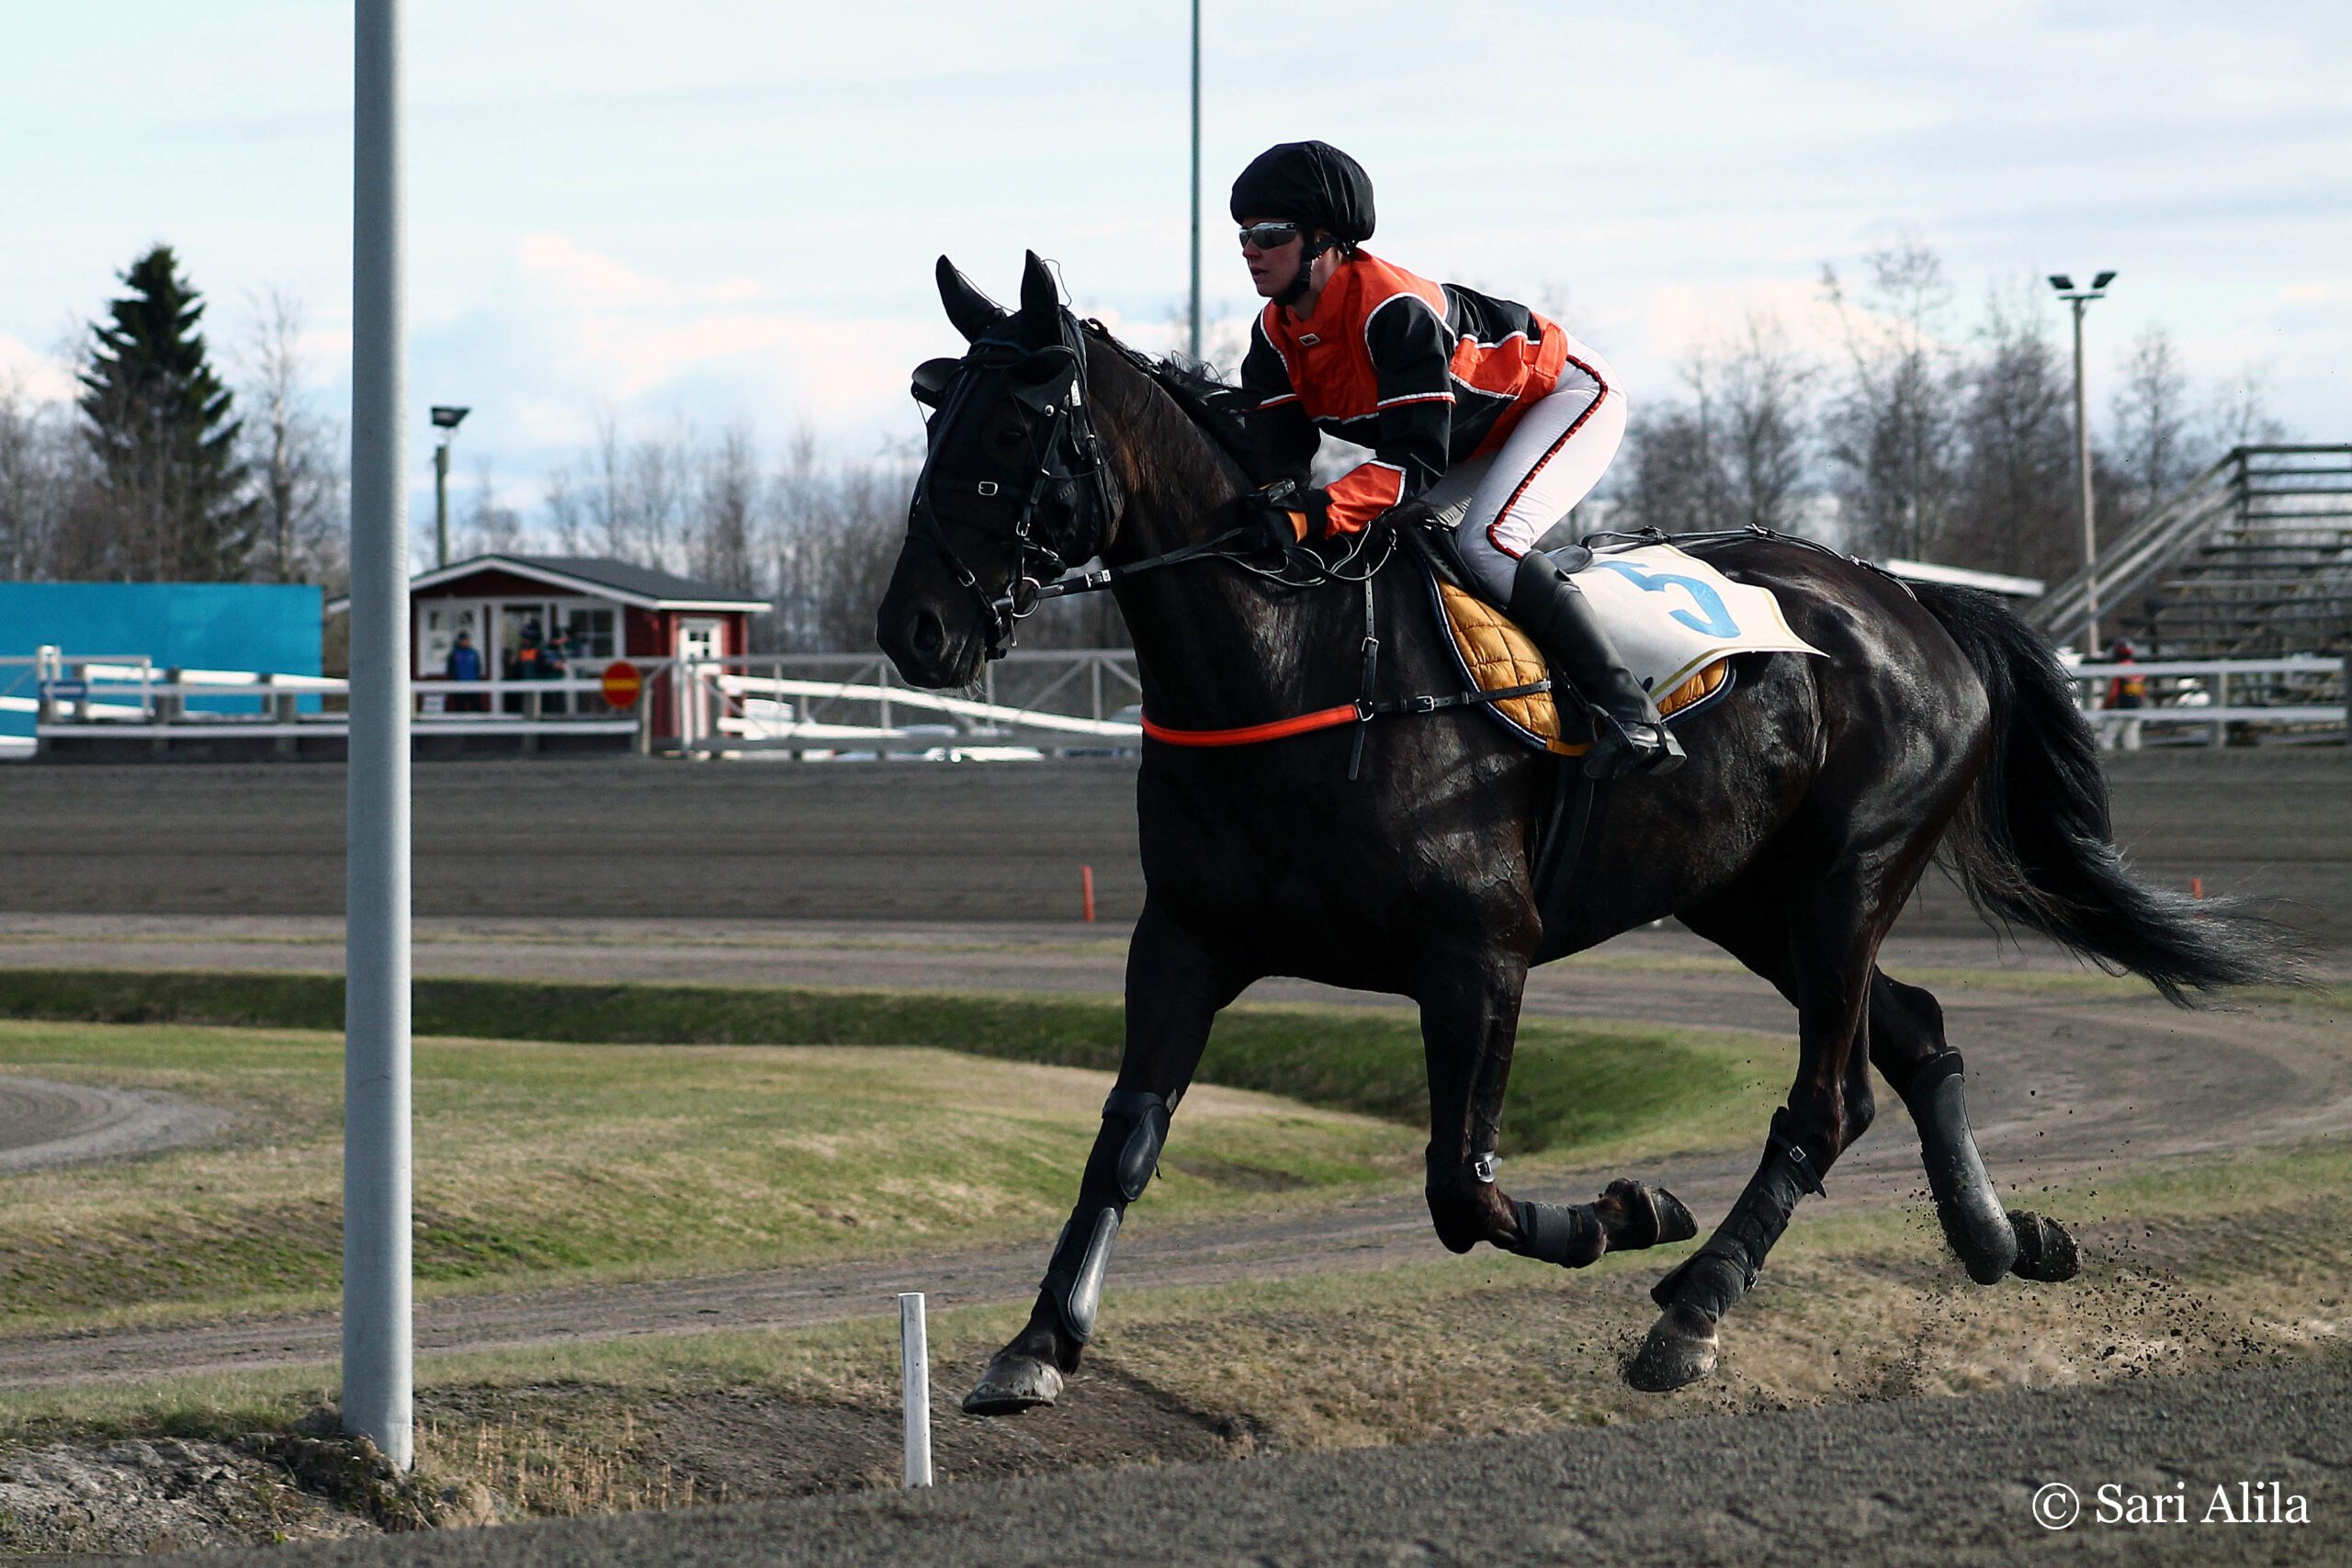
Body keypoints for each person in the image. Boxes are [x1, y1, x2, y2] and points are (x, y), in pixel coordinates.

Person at [1226, 140, 1678, 778]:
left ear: (1325, 241)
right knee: (1388, 542)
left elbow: (1411, 465)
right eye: (1244, 235)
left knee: (1489, 544)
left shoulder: (1393, 312)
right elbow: (1277, 464)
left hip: (1565, 395)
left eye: (1271, 234)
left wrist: (1310, 514)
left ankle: (1634, 716)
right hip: (1472, 436)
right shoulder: (1273, 336)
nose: (1251, 249)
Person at [444, 628, 484, 713]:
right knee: (460, 709)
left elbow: (478, 668)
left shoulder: (474, 653)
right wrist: (455, 681)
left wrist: (478, 681)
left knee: (477, 708)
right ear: (459, 641)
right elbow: (450, 670)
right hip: (459, 685)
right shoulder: (454, 654)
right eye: (463, 640)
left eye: (467, 640)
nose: (466, 642)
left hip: (473, 685)